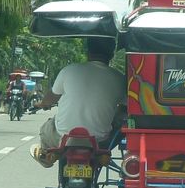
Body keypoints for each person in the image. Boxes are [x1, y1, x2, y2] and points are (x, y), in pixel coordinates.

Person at [30, 37, 126, 168]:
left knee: (46, 128)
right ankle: (100, 157)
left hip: (62, 136)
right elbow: (126, 108)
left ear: (88, 52)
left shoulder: (69, 70)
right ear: (111, 54)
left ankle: (47, 156)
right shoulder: (120, 78)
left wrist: (42, 104)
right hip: (99, 141)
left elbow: (51, 98)